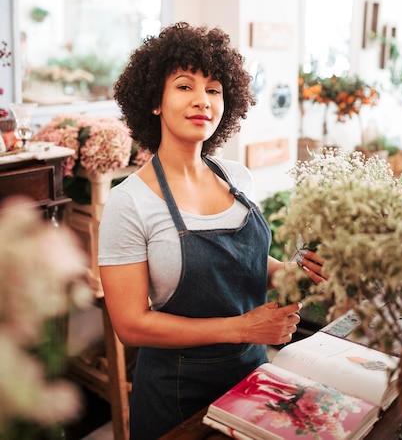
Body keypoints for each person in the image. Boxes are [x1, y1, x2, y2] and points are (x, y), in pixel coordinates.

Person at [98, 22, 325, 439]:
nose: (202, 100)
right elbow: (130, 324)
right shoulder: (129, 202)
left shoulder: (237, 178)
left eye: (214, 89)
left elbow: (246, 263)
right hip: (177, 395)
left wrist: (289, 271)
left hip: (252, 376)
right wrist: (241, 328)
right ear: (154, 101)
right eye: (185, 86)